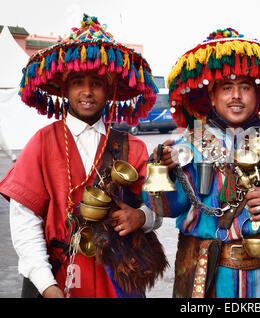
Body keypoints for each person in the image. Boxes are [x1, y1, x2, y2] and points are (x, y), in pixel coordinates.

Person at [143, 28, 260, 298]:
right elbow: (168, 208)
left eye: (245, 87)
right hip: (206, 276)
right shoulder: (190, 144)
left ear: (258, 95)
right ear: (212, 97)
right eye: (227, 88)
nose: (236, 96)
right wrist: (161, 171)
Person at [0, 15, 167, 298]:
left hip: (119, 280)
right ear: (65, 88)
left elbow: (158, 209)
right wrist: (45, 284)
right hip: (59, 276)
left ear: (110, 89)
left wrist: (141, 216)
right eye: (78, 82)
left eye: (97, 83)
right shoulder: (41, 143)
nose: (87, 92)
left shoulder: (134, 147)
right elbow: (24, 221)